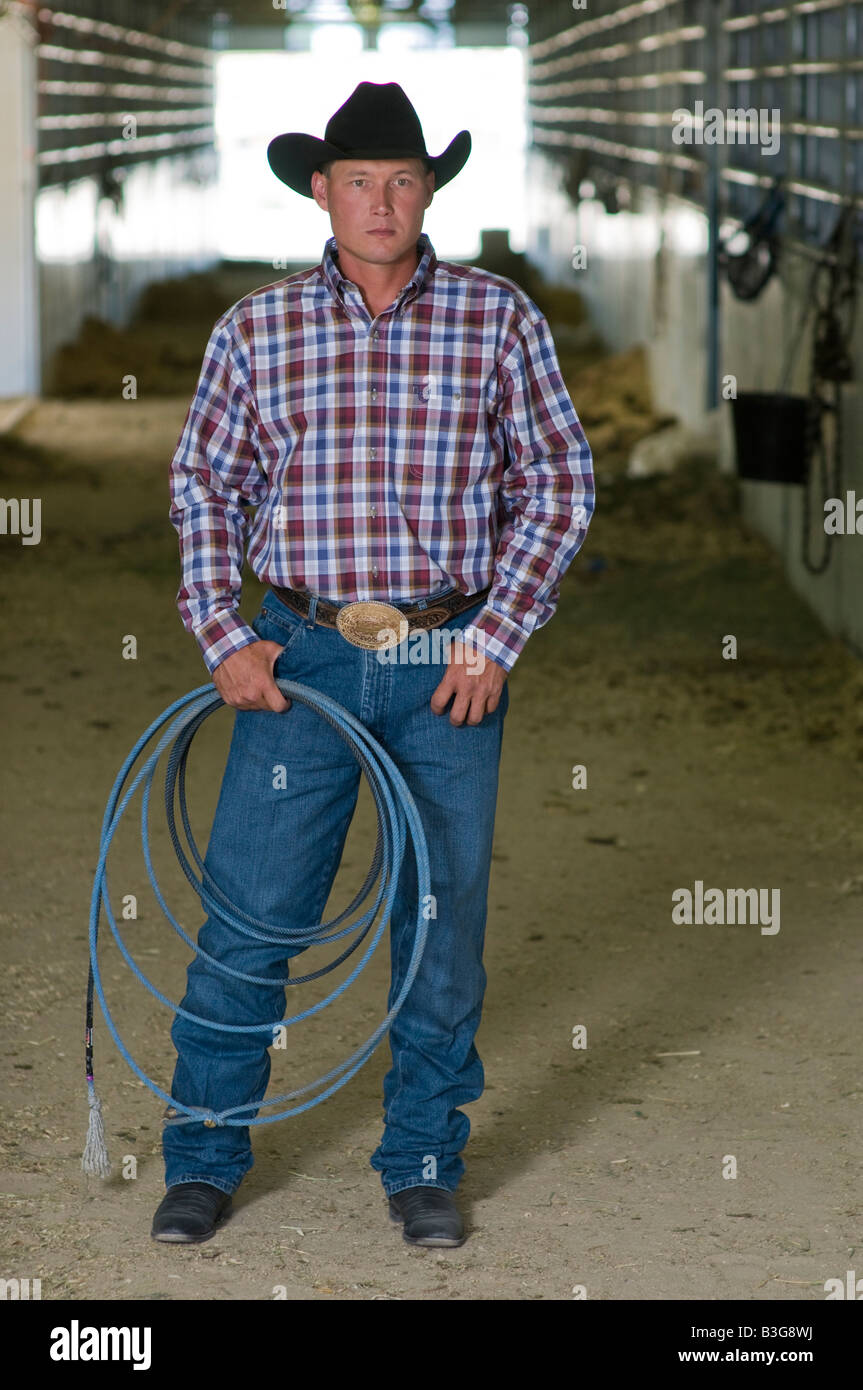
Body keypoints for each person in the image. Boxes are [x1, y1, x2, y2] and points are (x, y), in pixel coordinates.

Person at [152, 80, 594, 1249]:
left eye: (402, 180)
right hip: (298, 653)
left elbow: (556, 482)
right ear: (321, 191)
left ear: (429, 189)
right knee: (253, 915)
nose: (381, 202)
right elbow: (206, 485)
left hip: (448, 653)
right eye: (359, 181)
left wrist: (498, 633)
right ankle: (201, 1155)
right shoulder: (256, 328)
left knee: (438, 919)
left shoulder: (498, 318)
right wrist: (221, 631)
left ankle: (423, 1158)